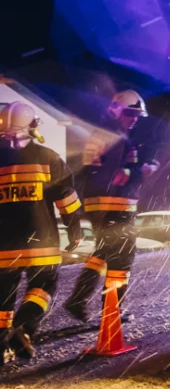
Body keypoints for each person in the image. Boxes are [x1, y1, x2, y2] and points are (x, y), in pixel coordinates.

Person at [65, 91, 159, 322]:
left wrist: (135, 169)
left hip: (99, 204)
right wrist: (141, 171)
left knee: (103, 253)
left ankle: (78, 300)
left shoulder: (108, 134)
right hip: (115, 204)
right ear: (118, 111)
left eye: (137, 114)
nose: (134, 118)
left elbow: (99, 171)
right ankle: (112, 311)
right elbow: (118, 175)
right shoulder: (116, 137)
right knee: (123, 258)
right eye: (130, 113)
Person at [0, 102, 82, 362]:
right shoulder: (47, 158)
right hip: (41, 243)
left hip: (3, 247)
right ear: (32, 125)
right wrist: (75, 229)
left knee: (2, 299)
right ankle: (23, 326)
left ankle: (0, 345)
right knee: (43, 286)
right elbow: (66, 197)